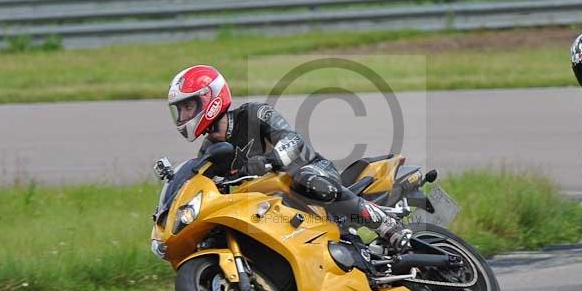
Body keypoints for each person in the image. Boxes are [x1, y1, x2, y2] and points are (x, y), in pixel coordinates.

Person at [166, 64, 413, 252]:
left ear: (210, 99)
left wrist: (271, 160)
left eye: (189, 107)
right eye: (181, 110)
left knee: (305, 178)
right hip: (272, 203)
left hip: (313, 171)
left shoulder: (253, 114)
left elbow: (292, 140)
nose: (184, 115)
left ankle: (384, 224)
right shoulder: (210, 150)